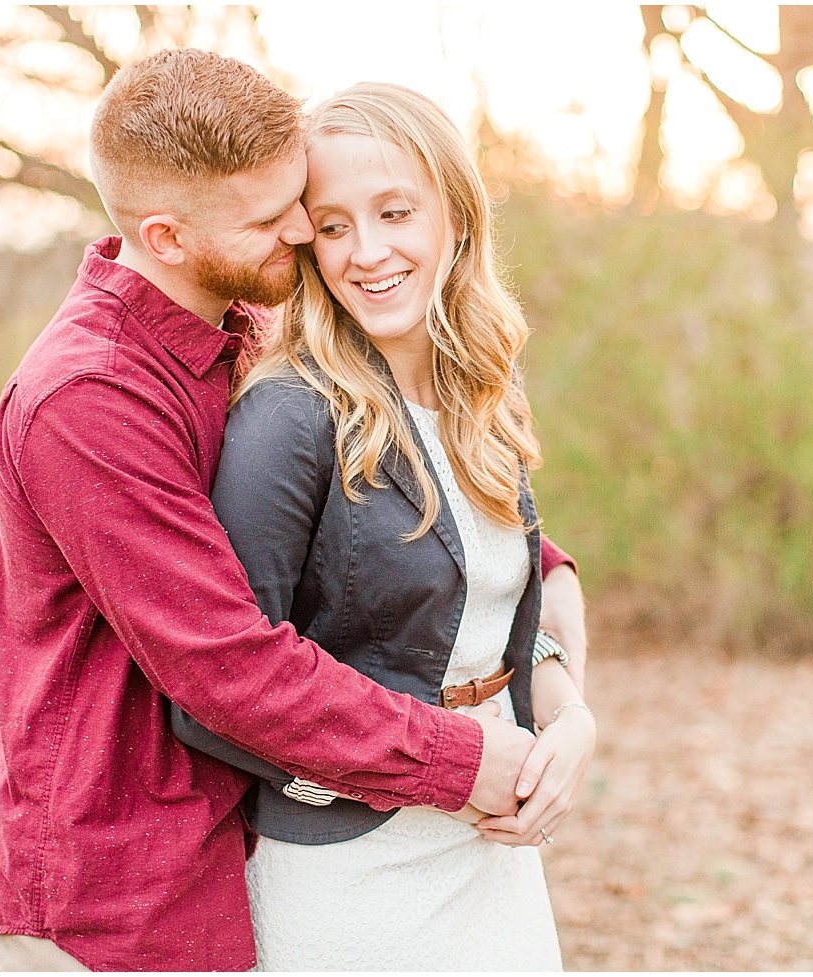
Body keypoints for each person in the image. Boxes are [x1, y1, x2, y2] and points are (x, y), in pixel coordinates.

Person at [0, 49, 586, 972]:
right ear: (168, 236)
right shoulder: (89, 399)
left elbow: (438, 534)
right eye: (274, 217)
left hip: (243, 832)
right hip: (121, 875)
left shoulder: (246, 327)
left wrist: (549, 671)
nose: (305, 231)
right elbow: (227, 663)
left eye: (300, 197)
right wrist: (467, 761)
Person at [172, 82, 596, 972]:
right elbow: (219, 693)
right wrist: (443, 764)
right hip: (352, 873)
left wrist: (568, 718)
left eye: (395, 211)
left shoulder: (485, 387)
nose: (368, 252)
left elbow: (502, 603)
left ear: (456, 214)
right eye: (332, 226)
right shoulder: (288, 417)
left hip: (492, 856)